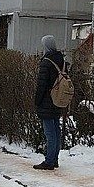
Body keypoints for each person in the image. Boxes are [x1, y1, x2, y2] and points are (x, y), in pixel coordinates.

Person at [33, 35, 66, 170]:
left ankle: (49, 161)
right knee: (56, 130)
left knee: (49, 132)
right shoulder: (61, 60)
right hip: (58, 99)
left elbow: (42, 84)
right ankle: (55, 158)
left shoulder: (46, 62)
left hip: (47, 100)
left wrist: (37, 101)